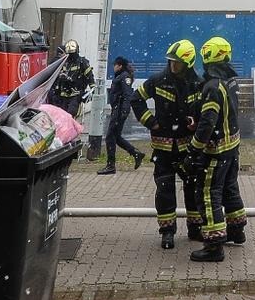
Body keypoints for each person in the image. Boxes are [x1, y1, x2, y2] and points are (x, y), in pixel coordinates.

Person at [131, 40, 204, 249]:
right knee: (165, 190)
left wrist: (195, 122)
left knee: (192, 189)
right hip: (163, 149)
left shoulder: (197, 84)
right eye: (171, 62)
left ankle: (195, 228)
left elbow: (201, 110)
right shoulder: (158, 80)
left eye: (178, 63)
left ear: (188, 63)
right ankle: (167, 232)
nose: (173, 66)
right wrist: (150, 122)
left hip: (187, 149)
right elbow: (136, 99)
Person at [188, 36, 246, 262]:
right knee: (230, 190)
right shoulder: (230, 80)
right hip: (232, 148)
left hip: (216, 152)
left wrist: (194, 149)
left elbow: (207, 122)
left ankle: (214, 245)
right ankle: (236, 230)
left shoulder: (213, 86)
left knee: (209, 194)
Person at [96, 56, 145, 175]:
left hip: (119, 110)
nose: (114, 67)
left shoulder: (125, 77)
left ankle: (111, 165)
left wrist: (124, 110)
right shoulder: (120, 76)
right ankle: (136, 153)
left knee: (110, 137)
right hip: (116, 109)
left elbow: (128, 95)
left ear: (120, 66)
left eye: (115, 65)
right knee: (116, 137)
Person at [47, 39, 94, 122]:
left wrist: (91, 92)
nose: (70, 56)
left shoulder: (82, 63)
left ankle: (70, 132)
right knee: (61, 116)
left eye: (72, 54)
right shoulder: (64, 62)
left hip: (76, 95)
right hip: (62, 95)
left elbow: (90, 79)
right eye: (69, 53)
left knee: (70, 115)